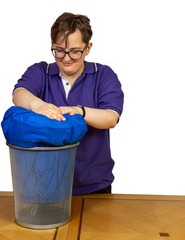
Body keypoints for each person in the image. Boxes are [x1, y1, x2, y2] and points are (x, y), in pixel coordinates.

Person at [12, 12, 124, 194]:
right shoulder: (40, 71)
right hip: (45, 185)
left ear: (88, 48)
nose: (66, 58)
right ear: (52, 46)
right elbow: (19, 94)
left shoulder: (104, 75)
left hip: (94, 185)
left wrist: (79, 111)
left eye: (74, 51)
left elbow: (111, 118)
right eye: (59, 50)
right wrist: (38, 105)